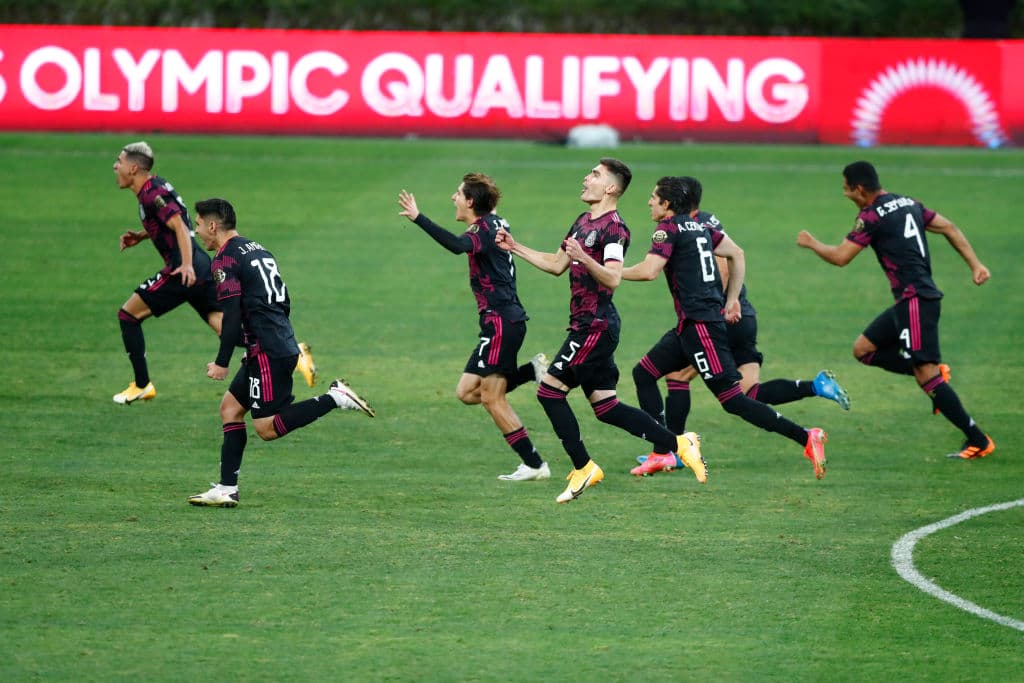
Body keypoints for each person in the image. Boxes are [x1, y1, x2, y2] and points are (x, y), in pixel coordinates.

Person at [495, 159, 707, 504]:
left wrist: (585, 257)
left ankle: (584, 467)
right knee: (606, 406)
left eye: (594, 175)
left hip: (594, 326)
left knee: (549, 393)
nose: (586, 178)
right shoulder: (582, 222)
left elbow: (612, 277)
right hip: (589, 324)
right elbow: (556, 264)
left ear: (610, 188)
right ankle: (680, 443)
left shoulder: (615, 229)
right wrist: (515, 247)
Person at [633, 176, 849, 476]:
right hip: (691, 327)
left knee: (734, 400)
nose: (649, 202)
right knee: (644, 372)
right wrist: (732, 299)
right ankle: (664, 450)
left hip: (703, 327)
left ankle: (806, 436)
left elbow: (648, 271)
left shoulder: (668, 229)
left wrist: (607, 272)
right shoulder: (705, 226)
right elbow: (737, 253)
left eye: (653, 197)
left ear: (667, 204)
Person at [797, 161, 994, 460]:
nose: (845, 194)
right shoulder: (908, 202)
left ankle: (978, 440)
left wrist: (812, 243)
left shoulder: (871, 216)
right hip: (910, 301)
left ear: (859, 189)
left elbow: (840, 257)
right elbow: (949, 227)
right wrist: (976, 264)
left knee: (924, 374)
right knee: (863, 350)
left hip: (915, 300)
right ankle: (932, 372)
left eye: (846, 188)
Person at [186, 198, 374, 507]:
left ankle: (334, 397)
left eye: (197, 224)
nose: (196, 232)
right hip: (276, 341)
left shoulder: (225, 260)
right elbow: (283, 299)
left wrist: (222, 363)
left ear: (212, 225)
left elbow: (231, 315)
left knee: (266, 427)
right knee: (230, 409)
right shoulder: (257, 248)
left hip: (267, 350)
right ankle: (226, 488)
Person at [112, 141, 317, 405]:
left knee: (127, 315)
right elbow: (179, 220)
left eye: (119, 161)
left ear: (134, 167)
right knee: (224, 327)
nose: (116, 166)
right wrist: (142, 235)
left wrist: (185, 265)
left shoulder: (152, 193)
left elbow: (179, 225)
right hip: (198, 266)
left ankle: (141, 384)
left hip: (184, 269)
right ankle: (295, 351)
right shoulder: (155, 188)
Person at [397, 174, 551, 481]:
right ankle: (530, 372)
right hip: (502, 322)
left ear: (470, 202)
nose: (453, 198)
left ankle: (534, 465)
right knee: (468, 392)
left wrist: (418, 217)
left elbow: (457, 245)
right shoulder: (496, 222)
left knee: (492, 398)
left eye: (458, 194)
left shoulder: (481, 231)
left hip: (501, 323)